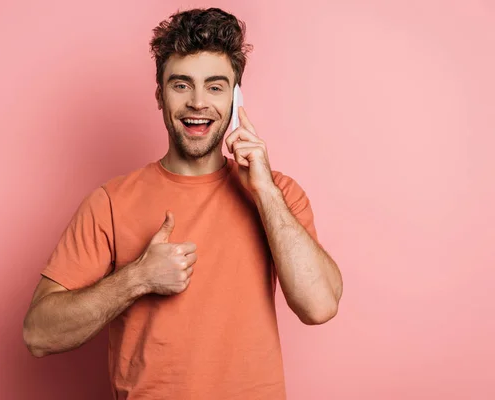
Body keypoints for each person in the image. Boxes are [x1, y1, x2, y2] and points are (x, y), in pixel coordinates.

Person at [23, 7, 343, 399]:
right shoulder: (109, 203)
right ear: (159, 95)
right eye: (181, 85)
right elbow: (38, 334)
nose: (197, 102)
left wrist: (265, 192)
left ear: (235, 97)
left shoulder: (278, 194)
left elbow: (320, 306)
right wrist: (137, 278)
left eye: (214, 86)